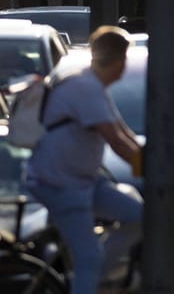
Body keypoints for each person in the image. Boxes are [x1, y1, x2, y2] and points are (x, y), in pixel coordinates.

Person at [25, 25, 144, 294]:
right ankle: (93, 275)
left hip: (85, 181)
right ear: (119, 60)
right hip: (60, 184)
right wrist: (154, 170)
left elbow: (125, 134)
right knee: (89, 259)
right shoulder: (85, 86)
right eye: (125, 60)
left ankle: (99, 277)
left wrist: (161, 165)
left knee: (140, 215)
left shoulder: (95, 85)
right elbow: (115, 140)